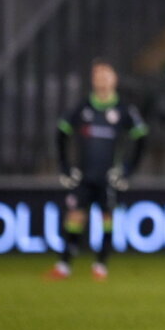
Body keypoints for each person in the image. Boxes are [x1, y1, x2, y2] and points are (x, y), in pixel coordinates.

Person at [46, 59, 148, 281]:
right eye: (97, 76)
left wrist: (128, 170)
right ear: (93, 81)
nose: (101, 80)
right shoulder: (83, 107)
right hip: (84, 175)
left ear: (114, 79)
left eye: (105, 75)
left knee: (107, 218)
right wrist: (65, 167)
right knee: (74, 217)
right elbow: (62, 132)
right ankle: (64, 265)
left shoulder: (123, 110)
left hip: (108, 177)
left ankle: (100, 266)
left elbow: (141, 137)